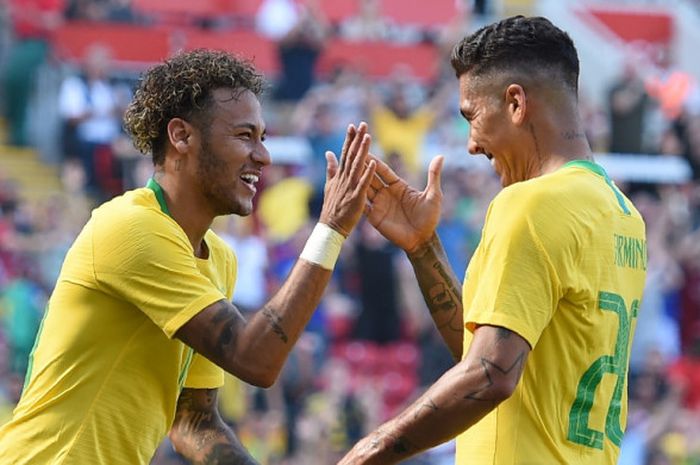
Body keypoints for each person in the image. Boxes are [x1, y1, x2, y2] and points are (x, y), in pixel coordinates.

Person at [0, 49, 376, 464]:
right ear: (180, 136)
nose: (264, 156)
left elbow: (193, 421)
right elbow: (257, 361)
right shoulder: (131, 227)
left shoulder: (218, 258)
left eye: (263, 138)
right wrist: (331, 231)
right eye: (244, 135)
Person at [339, 16, 647, 465]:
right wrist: (424, 250)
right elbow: (492, 352)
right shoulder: (624, 214)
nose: (471, 144)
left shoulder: (531, 203)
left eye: (472, 115)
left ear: (516, 103)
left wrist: (374, 448)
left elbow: (491, 373)